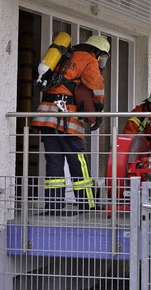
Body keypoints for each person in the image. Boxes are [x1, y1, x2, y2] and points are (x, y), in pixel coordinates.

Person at [31, 35, 110, 215]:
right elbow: (96, 85)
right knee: (78, 160)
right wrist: (99, 108)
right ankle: (87, 203)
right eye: (102, 57)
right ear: (97, 52)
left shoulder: (67, 53)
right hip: (66, 116)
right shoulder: (89, 59)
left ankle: (54, 206)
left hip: (46, 114)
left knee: (54, 161)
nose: (102, 61)